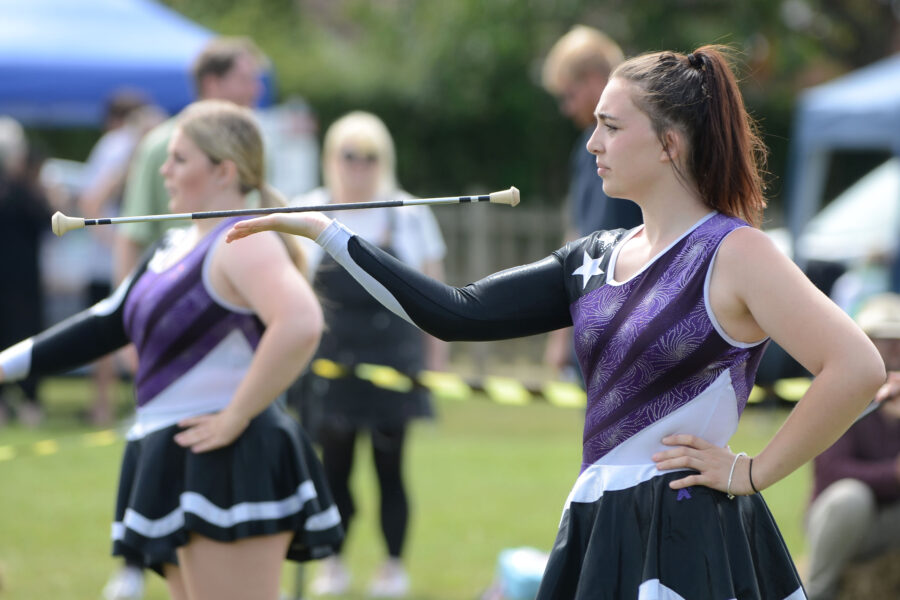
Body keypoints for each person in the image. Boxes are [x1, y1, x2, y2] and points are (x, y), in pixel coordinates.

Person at [226, 45, 887, 599]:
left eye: (610, 126)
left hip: (688, 530)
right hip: (598, 517)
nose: (593, 142)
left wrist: (752, 471)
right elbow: (455, 314)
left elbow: (856, 367)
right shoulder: (593, 258)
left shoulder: (735, 253)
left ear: (669, 144)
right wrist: (326, 232)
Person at [0, 100, 343, 600]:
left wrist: (235, 415)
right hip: (178, 449)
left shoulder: (242, 238)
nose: (164, 170)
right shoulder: (174, 245)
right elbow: (104, 324)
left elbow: (300, 322)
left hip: (229, 454)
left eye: (179, 159)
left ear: (224, 171)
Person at [291, 112, 447, 597]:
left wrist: (434, 366)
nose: (358, 166)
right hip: (329, 363)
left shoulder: (410, 212)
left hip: (392, 362)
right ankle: (332, 561)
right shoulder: (307, 210)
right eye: (348, 155)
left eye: (369, 156)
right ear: (331, 158)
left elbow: (437, 296)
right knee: (332, 468)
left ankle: (393, 566)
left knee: (389, 467)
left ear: (384, 159)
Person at [114, 36, 266, 284]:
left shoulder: (255, 145)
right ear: (212, 83)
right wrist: (125, 314)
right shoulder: (160, 144)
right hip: (177, 292)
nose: (257, 89)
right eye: (245, 80)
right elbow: (132, 236)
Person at [540, 25, 643, 378]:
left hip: (633, 319)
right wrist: (560, 334)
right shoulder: (586, 149)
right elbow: (578, 242)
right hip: (593, 321)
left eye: (569, 95)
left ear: (596, 80)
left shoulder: (636, 144)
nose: (566, 108)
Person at [804, 292, 900, 600]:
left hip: (891, 522)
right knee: (850, 498)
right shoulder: (842, 393)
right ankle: (818, 593)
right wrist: (894, 473)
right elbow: (832, 471)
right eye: (884, 338)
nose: (894, 347)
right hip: (841, 520)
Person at [79, 92, 163, 428]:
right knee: (111, 333)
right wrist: (118, 243)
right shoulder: (120, 147)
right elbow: (93, 200)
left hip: (127, 260)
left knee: (129, 332)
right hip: (112, 263)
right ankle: (105, 408)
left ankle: (122, 406)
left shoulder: (122, 145)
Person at [0, 116, 51, 428]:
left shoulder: (20, 190)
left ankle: (19, 402)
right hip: (22, 282)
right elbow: (46, 221)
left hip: (21, 281)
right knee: (25, 336)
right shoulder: (23, 190)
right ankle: (28, 402)